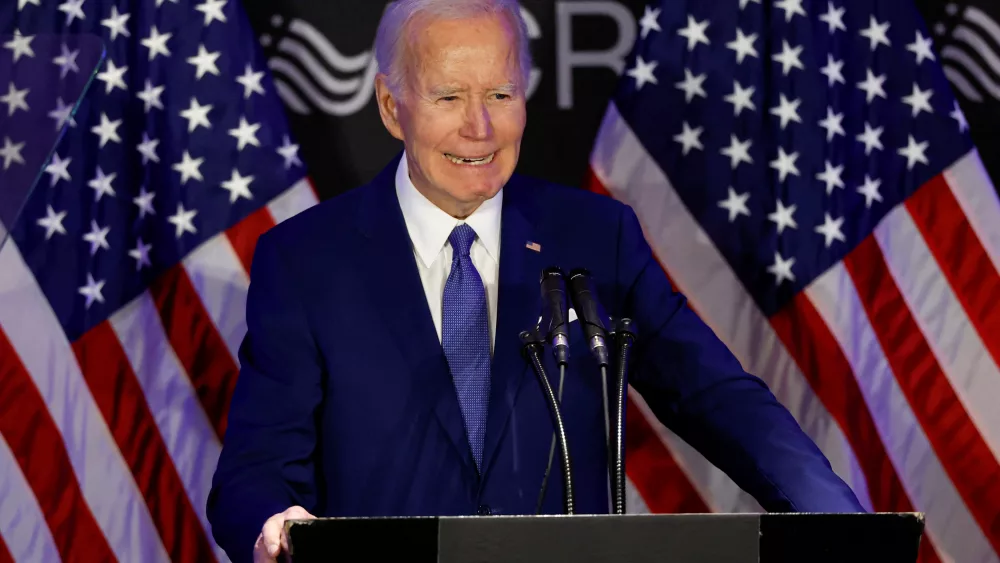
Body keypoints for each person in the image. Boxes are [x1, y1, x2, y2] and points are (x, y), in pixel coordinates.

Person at [207, 0, 865, 561]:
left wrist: (844, 528)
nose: (480, 127)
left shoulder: (594, 238)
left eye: (500, 93)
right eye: (449, 97)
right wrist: (275, 526)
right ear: (390, 105)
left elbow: (719, 397)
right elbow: (253, 473)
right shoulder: (306, 261)